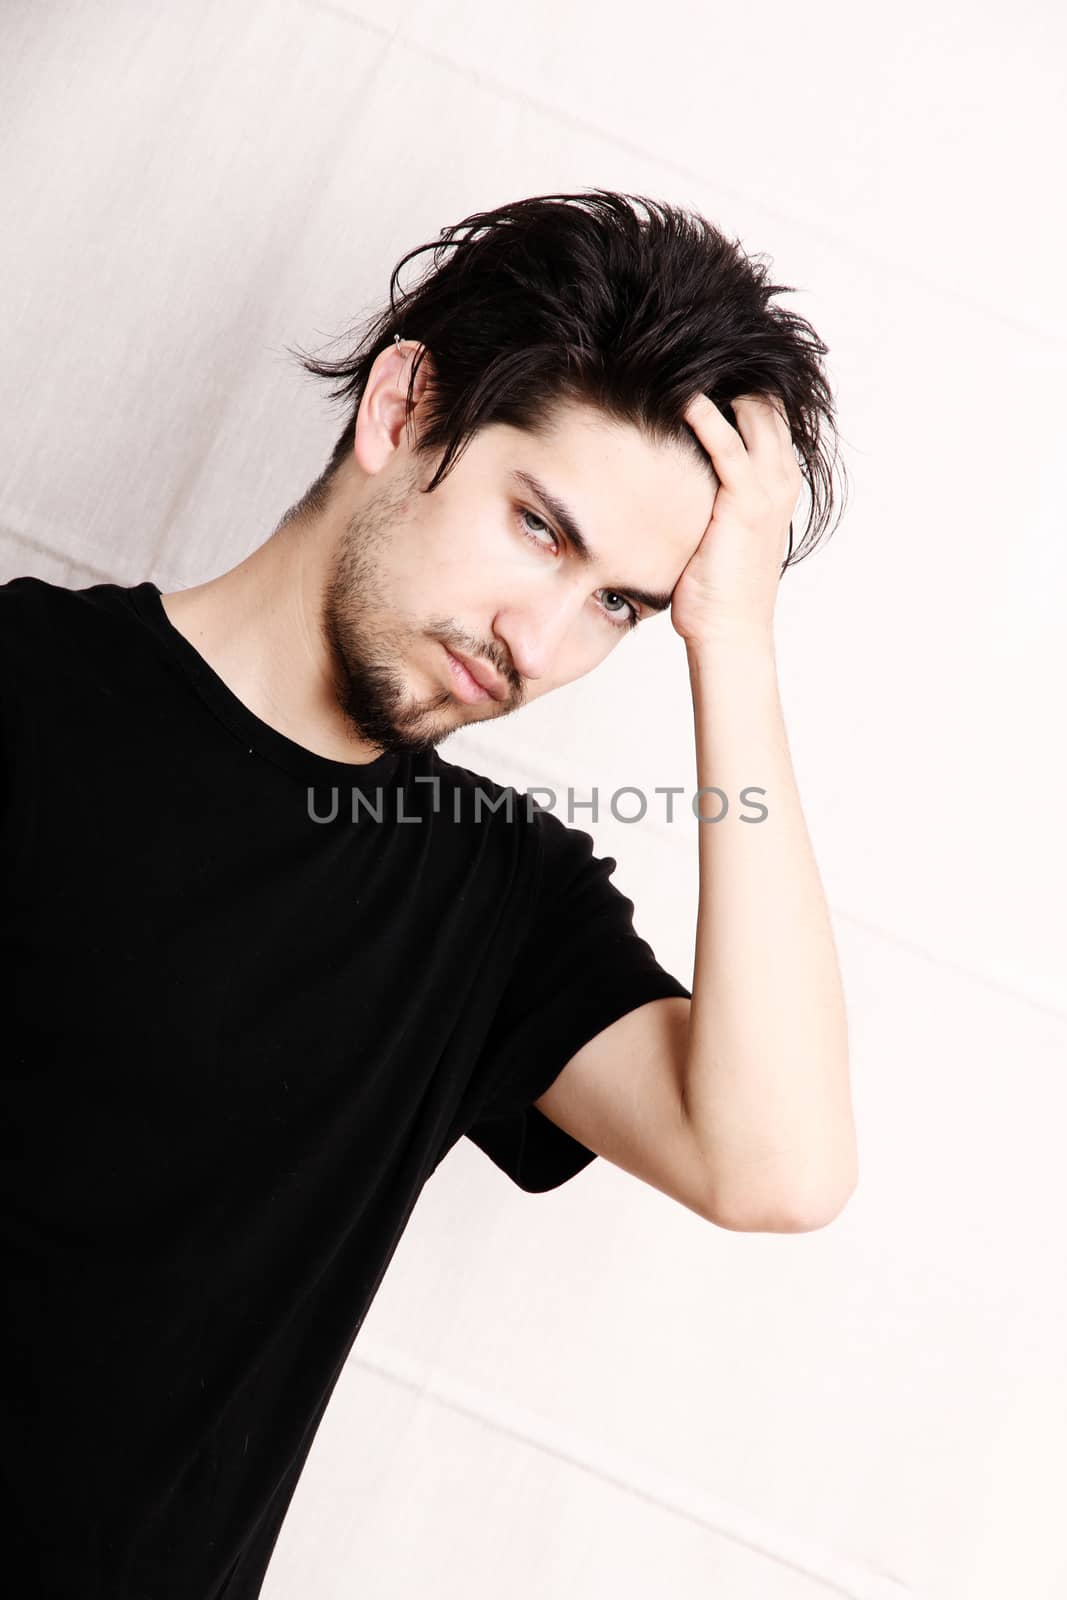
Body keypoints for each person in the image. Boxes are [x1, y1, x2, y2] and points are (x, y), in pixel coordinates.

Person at [0, 190, 857, 1599]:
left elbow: (777, 1166)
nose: (543, 642)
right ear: (404, 408)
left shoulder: (492, 900)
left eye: (621, 607)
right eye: (540, 529)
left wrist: (735, 646)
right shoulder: (29, 700)